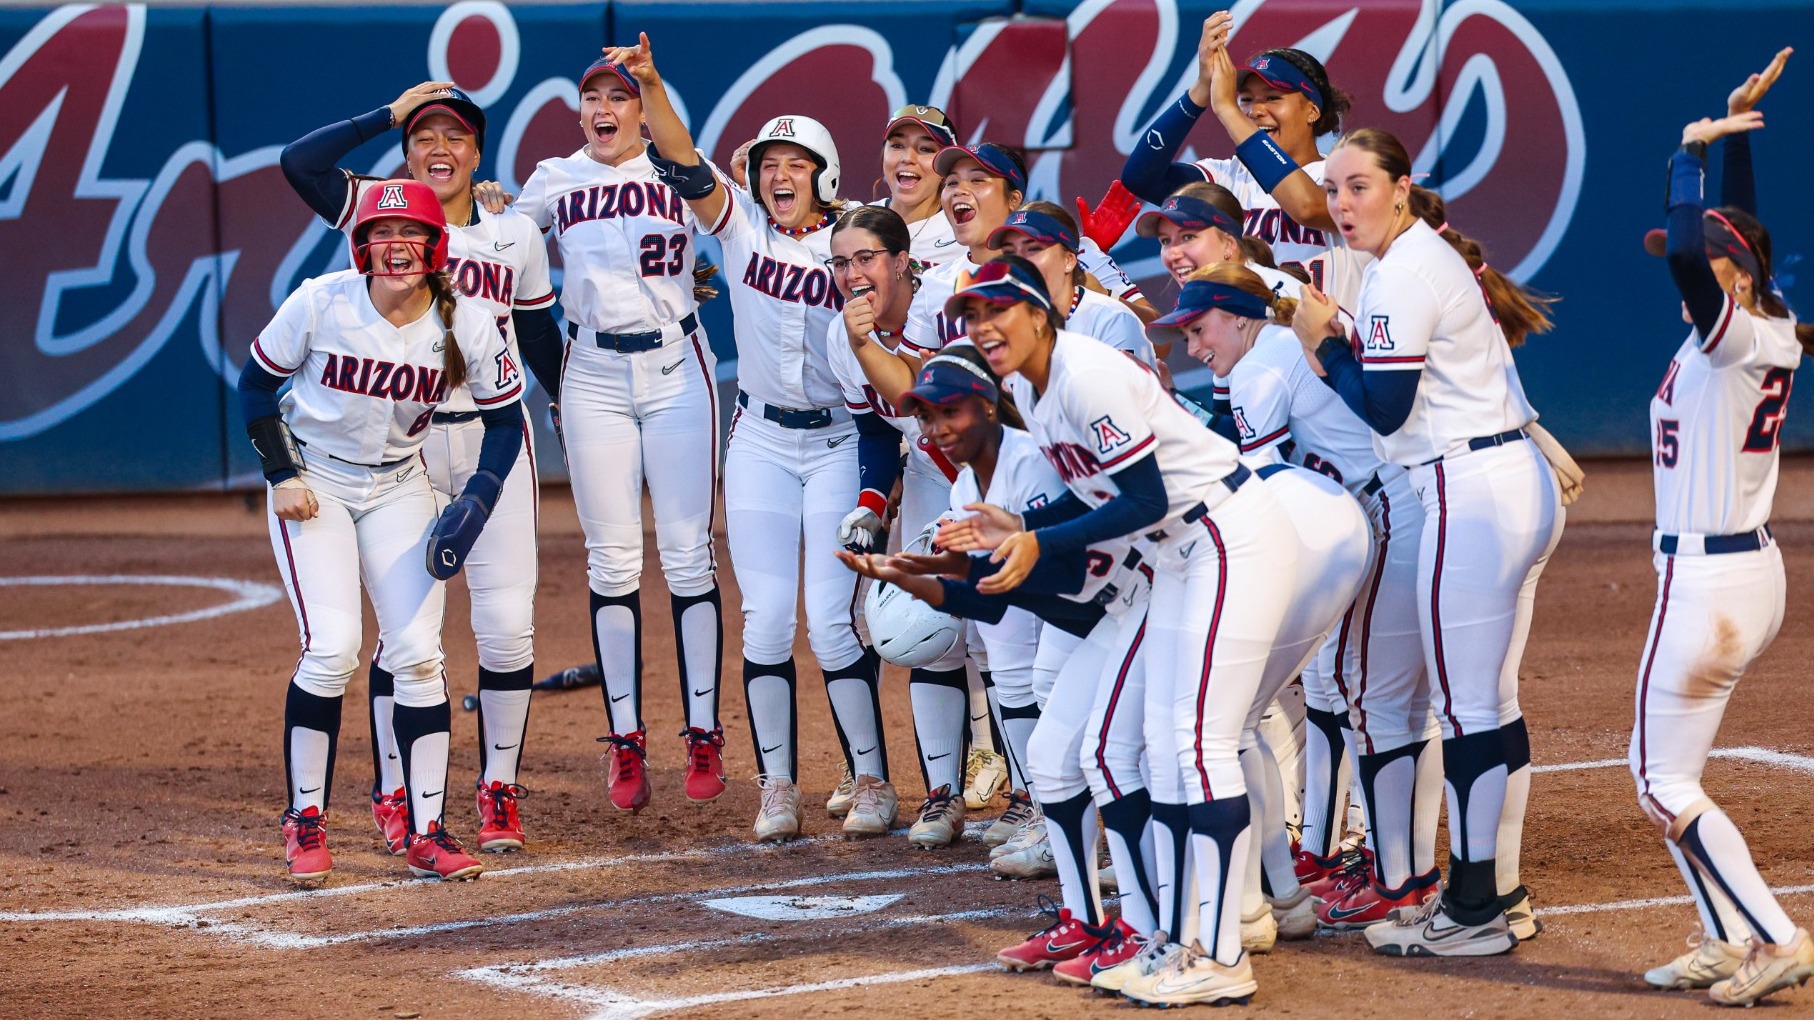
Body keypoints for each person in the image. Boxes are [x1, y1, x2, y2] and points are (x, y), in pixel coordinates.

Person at [937, 255, 1298, 1006]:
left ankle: (1222, 954)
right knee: (1152, 749)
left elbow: (1143, 497)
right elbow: (1098, 500)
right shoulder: (1030, 392)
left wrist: (1039, 542)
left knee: (1196, 746)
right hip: (1177, 554)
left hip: (1224, 534)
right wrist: (1021, 524)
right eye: (972, 317)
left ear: (1039, 314)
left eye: (997, 310)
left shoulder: (1085, 374)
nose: (984, 327)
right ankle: (1171, 939)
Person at [603, 34, 886, 842]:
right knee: (765, 621)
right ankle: (779, 786)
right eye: (768, 163)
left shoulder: (859, 246)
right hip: (761, 439)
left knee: (834, 621)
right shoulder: (740, 232)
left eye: (795, 164)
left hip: (839, 439)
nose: (778, 176)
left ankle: (870, 777)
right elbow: (684, 157)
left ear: (824, 175)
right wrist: (651, 85)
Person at [1290, 127, 1563, 955]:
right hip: (1505, 479)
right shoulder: (1414, 261)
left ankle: (1476, 909)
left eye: (1360, 185)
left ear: (1402, 188)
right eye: (1333, 189)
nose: (1342, 203)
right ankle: (1497, 892)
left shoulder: (1401, 273)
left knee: (1470, 708)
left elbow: (1384, 410)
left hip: (1467, 490)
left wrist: (1321, 344)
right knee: (1492, 703)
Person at [279, 83, 558, 856]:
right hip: (403, 439)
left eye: (456, 139)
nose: (439, 149)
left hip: (491, 438)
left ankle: (497, 788)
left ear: (477, 152)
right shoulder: (380, 203)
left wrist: (566, 395)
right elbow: (299, 164)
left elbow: (535, 333)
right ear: (405, 150)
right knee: (402, 636)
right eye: (424, 137)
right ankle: (396, 794)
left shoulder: (512, 227)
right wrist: (387, 113)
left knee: (505, 627)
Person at [243, 179, 524, 885]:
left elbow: (505, 420)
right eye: (380, 235)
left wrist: (481, 499)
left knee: (418, 656)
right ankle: (305, 820)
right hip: (319, 483)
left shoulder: (466, 321)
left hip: (402, 483)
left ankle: (427, 831)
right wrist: (283, 475)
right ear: (360, 244)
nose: (395, 248)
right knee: (333, 649)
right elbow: (253, 384)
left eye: (411, 236)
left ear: (435, 247)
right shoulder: (322, 300)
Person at [1156, 262, 1437, 932]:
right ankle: (1385, 867)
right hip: (1385, 503)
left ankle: (1400, 876)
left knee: (1376, 696)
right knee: (1371, 695)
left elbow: (1246, 488)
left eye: (1199, 329)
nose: (1193, 347)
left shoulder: (1259, 368)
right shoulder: (1276, 349)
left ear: (1239, 315)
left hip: (1390, 505)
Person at [499, 55, 730, 815]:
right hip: (590, 368)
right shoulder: (553, 178)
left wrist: (703, 274)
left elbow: (735, 232)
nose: (603, 107)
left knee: (689, 551)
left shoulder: (678, 169)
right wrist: (492, 208)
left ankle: (702, 729)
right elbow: (496, 249)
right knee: (612, 558)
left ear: (641, 110)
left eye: (618, 97)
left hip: (675, 364)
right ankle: (625, 740)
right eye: (591, 96)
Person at [1634, 50, 1814, 1008]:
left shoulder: (1732, 331)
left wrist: (1688, 153)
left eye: (1703, 262)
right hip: (1745, 573)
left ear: (1729, 277)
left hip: (1706, 588)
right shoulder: (1768, 319)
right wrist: (1738, 142)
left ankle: (1777, 935)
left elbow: (1706, 252)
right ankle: (1723, 933)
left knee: (1663, 786)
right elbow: (1741, 242)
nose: (1684, 270)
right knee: (1659, 772)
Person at [1121, 11, 1352, 273]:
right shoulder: (1226, 177)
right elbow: (1140, 177)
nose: (1256, 110)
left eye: (1272, 98)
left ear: (1312, 110)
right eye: (1246, 99)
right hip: (1243, 315)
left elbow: (1308, 207)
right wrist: (1201, 89)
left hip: (1323, 315)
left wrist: (1228, 110)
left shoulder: (1341, 174)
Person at [987, 203, 1155, 367]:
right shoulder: (1007, 328)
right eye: (1009, 253)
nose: (1019, 262)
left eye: (1033, 249)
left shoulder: (1112, 320)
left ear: (1069, 260)